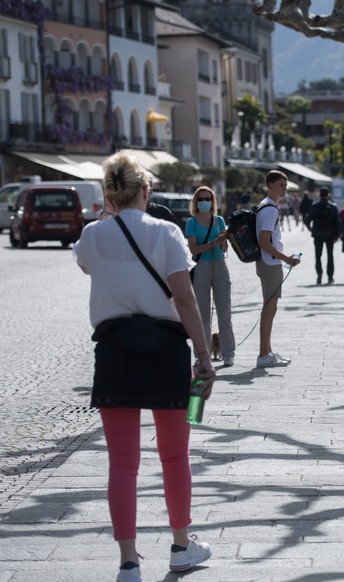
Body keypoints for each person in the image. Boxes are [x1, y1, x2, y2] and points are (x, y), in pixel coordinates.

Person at [73, 152, 216, 582]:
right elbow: (185, 298)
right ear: (146, 190)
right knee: (175, 456)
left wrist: (106, 218)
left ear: (108, 194)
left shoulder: (92, 236)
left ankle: (129, 562)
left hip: (114, 350)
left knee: (121, 461)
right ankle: (180, 546)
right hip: (167, 350)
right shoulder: (167, 232)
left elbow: (87, 264)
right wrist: (204, 357)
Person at [256, 170, 302, 368]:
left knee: (270, 308)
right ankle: (263, 355)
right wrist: (286, 259)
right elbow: (264, 241)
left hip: (268, 262)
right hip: (270, 263)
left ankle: (267, 352)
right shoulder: (270, 209)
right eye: (281, 184)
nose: (285, 188)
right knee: (269, 308)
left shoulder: (266, 206)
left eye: (285, 184)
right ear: (271, 186)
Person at [185, 186, 235, 367]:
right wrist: (214, 242)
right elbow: (193, 249)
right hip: (201, 267)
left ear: (212, 202)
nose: (204, 202)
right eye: (200, 199)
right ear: (196, 202)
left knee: (224, 312)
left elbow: (224, 248)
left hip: (220, 265)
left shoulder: (219, 220)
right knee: (202, 315)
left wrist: (224, 241)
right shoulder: (192, 222)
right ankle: (201, 353)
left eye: (207, 199)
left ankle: (228, 352)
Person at [305, 187, 341, 285]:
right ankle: (330, 276)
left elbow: (307, 219)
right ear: (328, 195)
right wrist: (337, 235)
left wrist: (310, 229)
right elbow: (337, 223)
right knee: (330, 255)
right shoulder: (333, 207)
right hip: (330, 234)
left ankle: (319, 274)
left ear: (320, 195)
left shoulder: (314, 206)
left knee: (318, 255)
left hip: (317, 234)